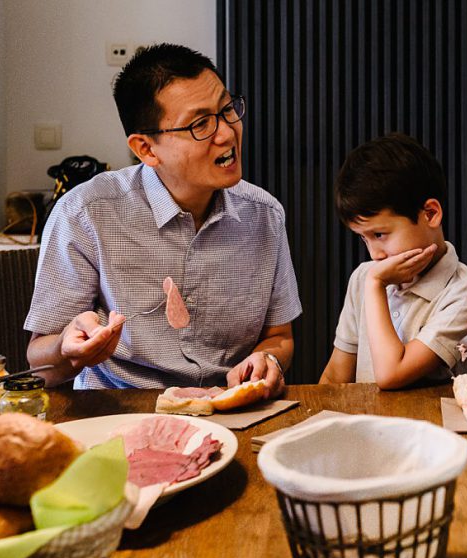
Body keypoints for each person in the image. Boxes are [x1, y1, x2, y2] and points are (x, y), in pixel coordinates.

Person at [25, 44, 302, 395]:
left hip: (227, 406)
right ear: (146, 148)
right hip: (120, 408)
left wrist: (269, 359)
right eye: (201, 124)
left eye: (228, 109)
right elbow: (41, 366)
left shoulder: (265, 215)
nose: (227, 133)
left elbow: (279, 337)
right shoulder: (85, 213)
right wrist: (68, 346)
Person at [319, 133, 467, 389]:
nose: (375, 254)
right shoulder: (364, 277)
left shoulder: (465, 293)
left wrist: (376, 285)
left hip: (430, 417)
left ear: (430, 214)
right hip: (366, 417)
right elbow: (334, 378)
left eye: (379, 235)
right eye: (364, 238)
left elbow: (391, 374)